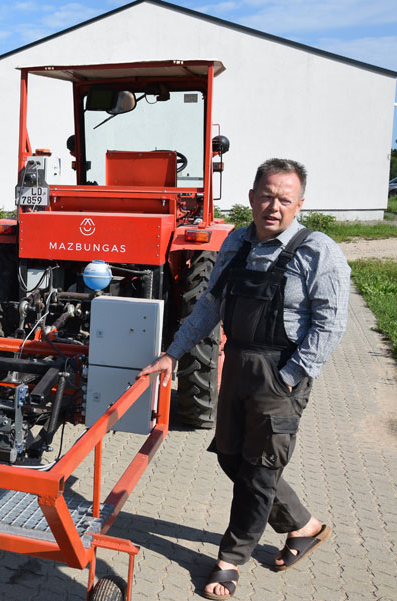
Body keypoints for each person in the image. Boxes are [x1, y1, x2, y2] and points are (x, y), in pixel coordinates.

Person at [138, 158, 350, 600]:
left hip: (281, 374)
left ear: (300, 204)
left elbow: (330, 324)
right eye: (267, 196)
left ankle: (230, 560)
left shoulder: (318, 251)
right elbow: (209, 305)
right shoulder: (236, 241)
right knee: (231, 458)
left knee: (260, 470)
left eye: (285, 200)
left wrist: (290, 375)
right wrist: (172, 354)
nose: (274, 207)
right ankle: (305, 526)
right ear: (252, 197)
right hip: (235, 365)